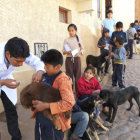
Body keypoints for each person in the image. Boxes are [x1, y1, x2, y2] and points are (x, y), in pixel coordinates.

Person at [0, 37, 45, 140]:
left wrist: (40, 70)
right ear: (7, 54)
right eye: (17, 61)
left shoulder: (20, 51)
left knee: (11, 110)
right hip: (4, 80)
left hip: (7, 79)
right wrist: (2, 82)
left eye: (23, 61)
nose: (20, 65)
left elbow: (37, 62)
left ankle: (16, 136)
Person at [32, 49, 75, 140]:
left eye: (47, 66)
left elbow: (69, 103)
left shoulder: (63, 80)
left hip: (54, 123)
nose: (44, 68)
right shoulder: (45, 76)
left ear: (57, 67)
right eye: (44, 65)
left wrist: (46, 105)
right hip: (41, 119)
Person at [63, 24, 84, 92]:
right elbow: (63, 51)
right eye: (69, 31)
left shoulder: (79, 39)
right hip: (69, 59)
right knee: (69, 76)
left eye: (72, 30)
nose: (71, 32)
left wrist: (79, 53)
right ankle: (70, 92)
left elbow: (82, 49)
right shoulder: (66, 40)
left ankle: (78, 92)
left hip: (77, 59)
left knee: (78, 76)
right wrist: (66, 52)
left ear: (76, 31)